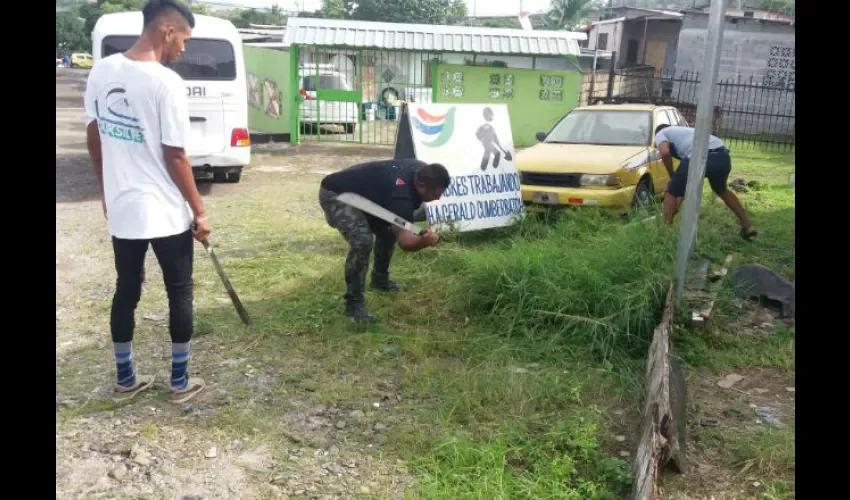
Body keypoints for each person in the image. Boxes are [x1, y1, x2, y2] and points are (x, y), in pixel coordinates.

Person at [84, 0, 211, 404]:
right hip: (164, 212)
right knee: (180, 292)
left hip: (124, 209)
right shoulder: (165, 82)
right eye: (185, 40)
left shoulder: (102, 70)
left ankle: (125, 379)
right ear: (168, 31)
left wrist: (107, 189)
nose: (184, 50)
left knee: (126, 290)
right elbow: (176, 155)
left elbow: (94, 132)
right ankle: (178, 383)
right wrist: (200, 211)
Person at [318, 159, 449, 321]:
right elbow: (406, 243)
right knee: (362, 241)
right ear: (421, 186)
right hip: (337, 194)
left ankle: (380, 280)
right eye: (436, 193)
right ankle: (354, 304)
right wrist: (425, 241)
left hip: (366, 197)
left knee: (388, 230)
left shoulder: (422, 171)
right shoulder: (402, 197)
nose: (438, 198)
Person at [655, 124, 757, 240]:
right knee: (721, 189)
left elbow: (665, 153)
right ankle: (747, 226)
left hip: (700, 156)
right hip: (722, 156)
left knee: (671, 191)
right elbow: (684, 187)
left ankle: (664, 234)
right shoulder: (686, 133)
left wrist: (672, 176)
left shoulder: (660, 133)